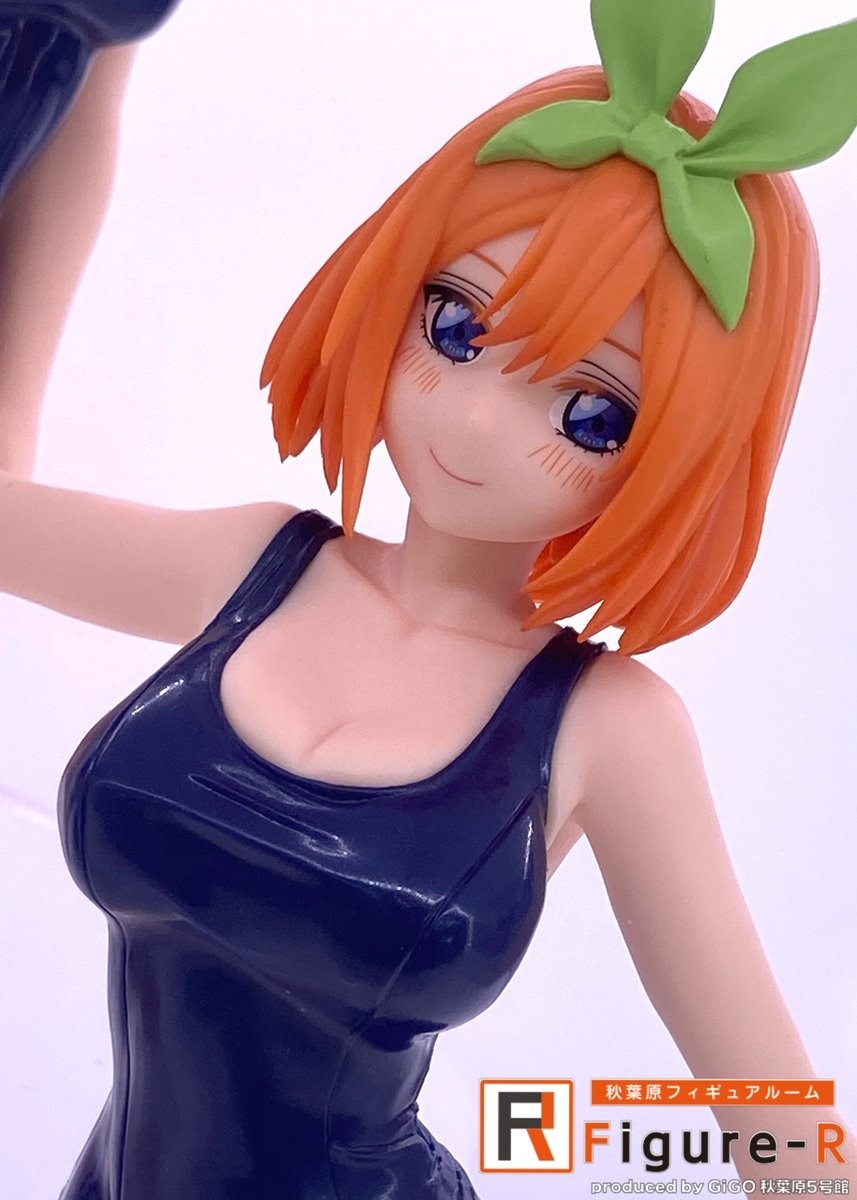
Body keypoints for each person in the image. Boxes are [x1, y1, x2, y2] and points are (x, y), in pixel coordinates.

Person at [1, 1, 856, 1197]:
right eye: (454, 325)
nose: (473, 418)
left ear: (681, 449)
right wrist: (86, 58)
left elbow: (781, 1130)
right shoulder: (251, 566)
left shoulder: (607, 728)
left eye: (590, 412)